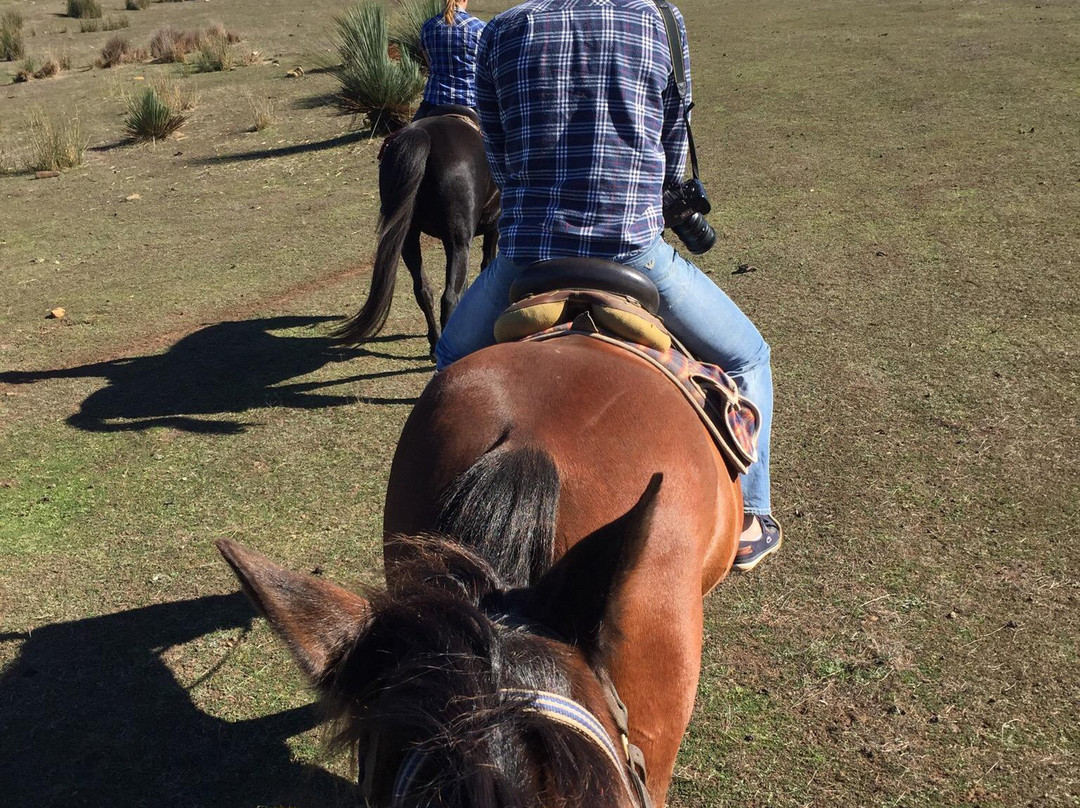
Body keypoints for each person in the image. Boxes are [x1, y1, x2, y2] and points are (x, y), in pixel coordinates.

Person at [434, 0, 781, 572]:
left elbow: (493, 148)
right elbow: (673, 142)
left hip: (527, 258)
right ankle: (751, 518)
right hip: (634, 256)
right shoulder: (659, 19)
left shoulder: (501, 30)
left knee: (451, 355)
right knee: (748, 357)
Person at [413, 0, 486, 120]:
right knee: (497, 135)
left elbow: (429, 64)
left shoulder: (428, 26)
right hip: (471, 101)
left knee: (406, 135)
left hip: (435, 100)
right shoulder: (479, 28)